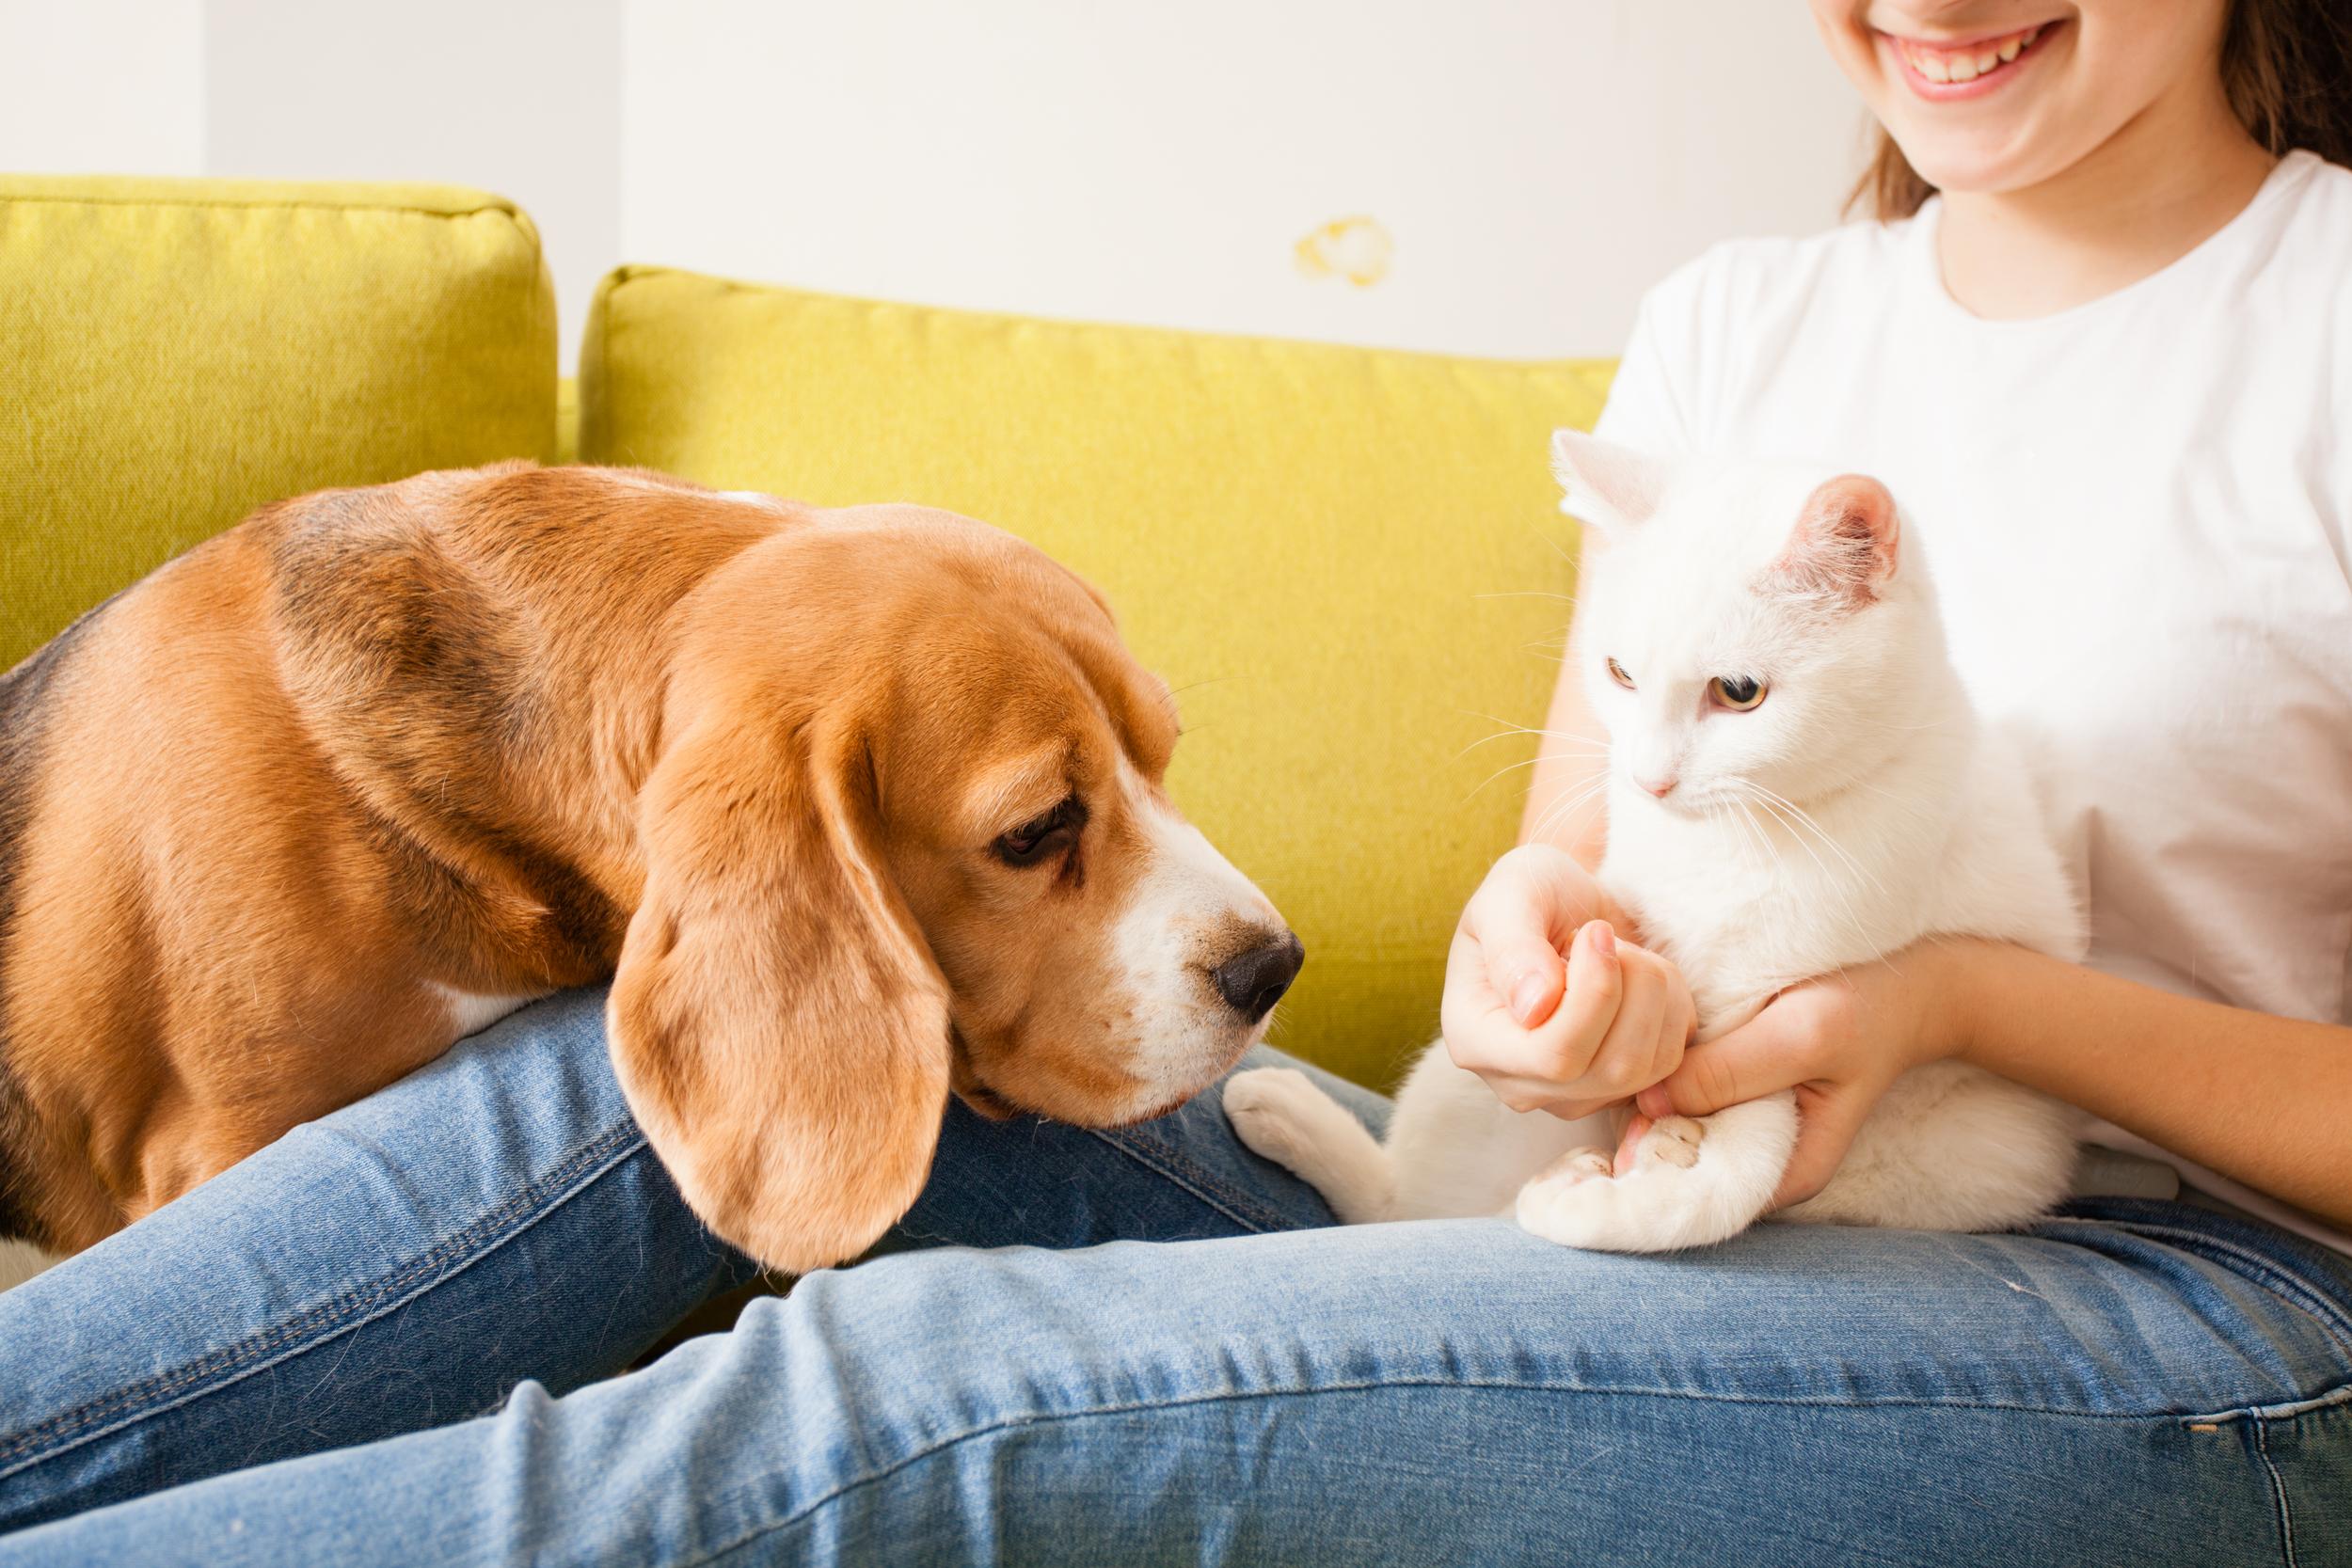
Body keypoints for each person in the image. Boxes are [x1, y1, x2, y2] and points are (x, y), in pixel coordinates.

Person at [4, 1, 2348, 1560]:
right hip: (1587, 1192)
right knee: (646, 1089)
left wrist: (1954, 1006)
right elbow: (1565, 865)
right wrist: (1544, 971)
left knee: (901, 1399)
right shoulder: (1741, 325)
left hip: (2179, 1306)